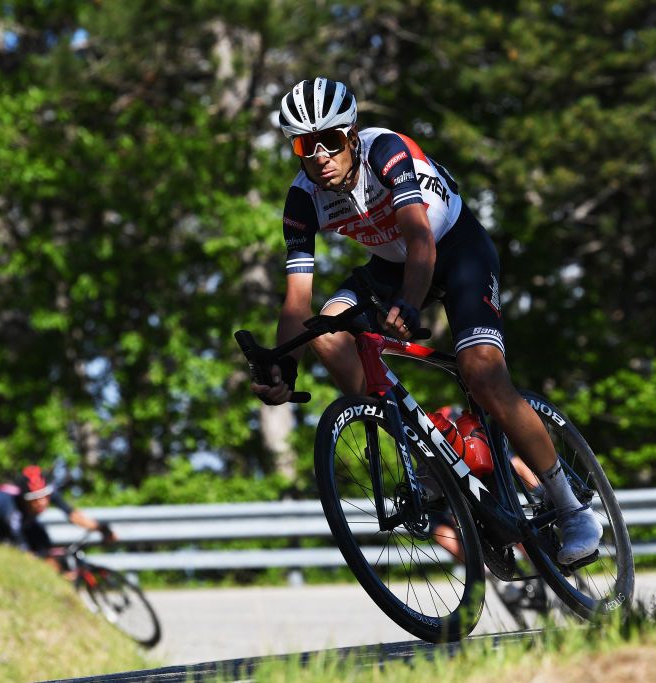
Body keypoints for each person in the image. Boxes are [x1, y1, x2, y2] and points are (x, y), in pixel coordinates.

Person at [251, 77, 601, 566]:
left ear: (351, 135)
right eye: (305, 146)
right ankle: (426, 456)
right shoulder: (303, 199)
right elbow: (297, 301)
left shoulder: (386, 152)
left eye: (330, 140)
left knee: (481, 373)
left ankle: (572, 506)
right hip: (389, 268)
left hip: (457, 252)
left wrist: (411, 305)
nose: (320, 156)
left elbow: (421, 242)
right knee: (326, 334)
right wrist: (279, 367)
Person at [0, 465, 116, 571]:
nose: (42, 503)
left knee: (46, 548)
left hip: (26, 522)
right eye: (35, 500)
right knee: (19, 559)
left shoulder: (46, 492)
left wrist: (101, 528)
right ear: (25, 500)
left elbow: (74, 515)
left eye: (45, 497)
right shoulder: (10, 508)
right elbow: (22, 547)